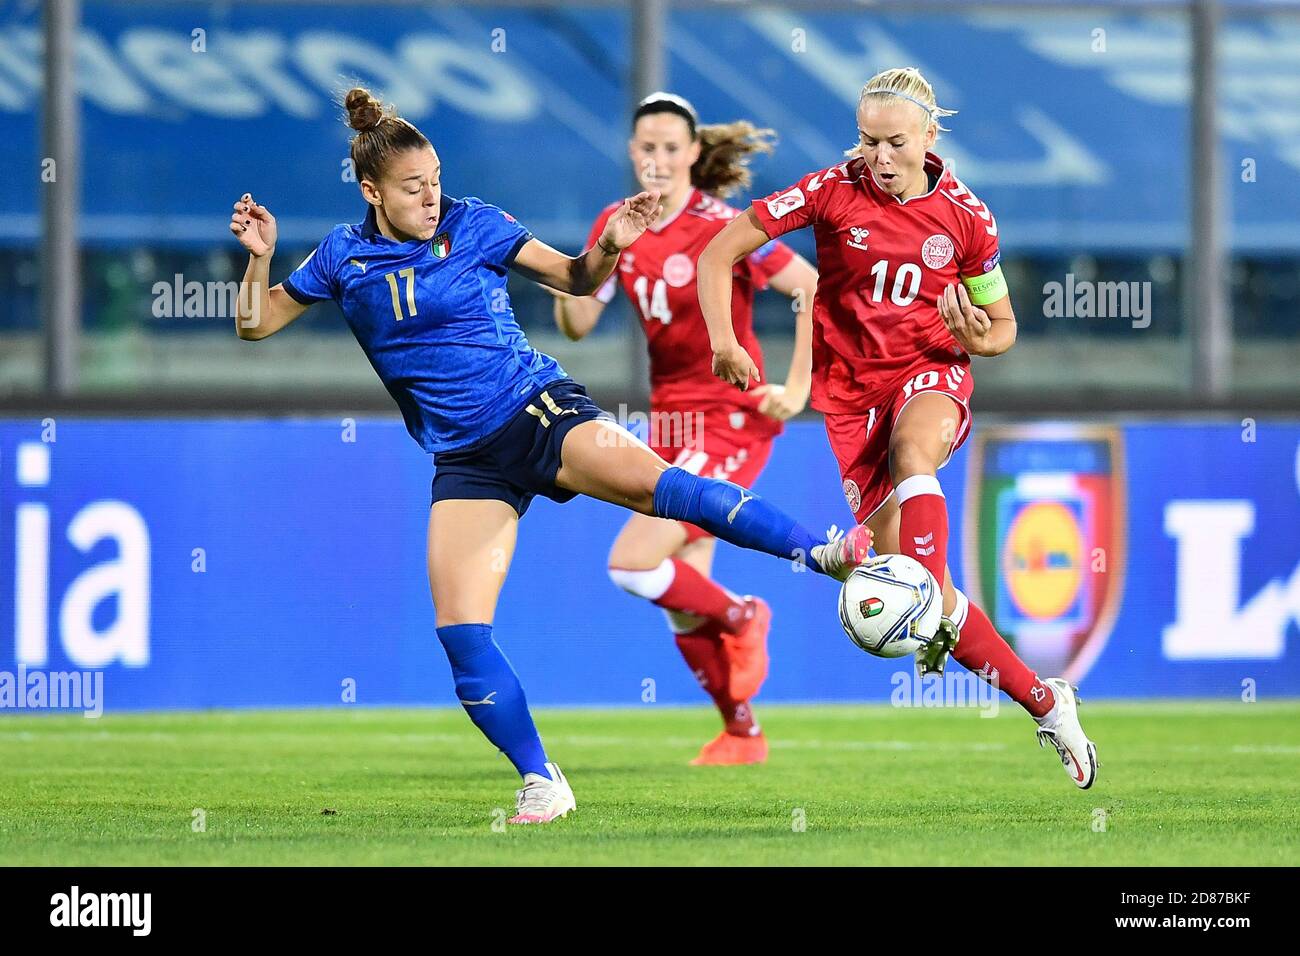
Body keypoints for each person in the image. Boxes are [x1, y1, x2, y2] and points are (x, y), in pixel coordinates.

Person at [229, 88, 873, 824]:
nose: (432, 196)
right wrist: (259, 261)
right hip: (467, 461)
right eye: (413, 188)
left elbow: (574, 280)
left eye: (435, 178)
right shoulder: (344, 255)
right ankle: (542, 779)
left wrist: (609, 246)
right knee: (461, 636)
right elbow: (255, 324)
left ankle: (825, 553)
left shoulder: (475, 222)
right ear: (371, 191)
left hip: (539, 413)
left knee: (665, 492)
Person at [697, 67, 1098, 788]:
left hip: (929, 373)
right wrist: (726, 340)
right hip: (849, 400)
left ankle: (921, 587)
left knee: (917, 454)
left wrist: (976, 336)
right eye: (867, 140)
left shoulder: (969, 219)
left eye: (894, 142)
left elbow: (1003, 330)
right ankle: (1044, 700)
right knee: (937, 603)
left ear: (929, 136)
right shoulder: (828, 189)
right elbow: (722, 247)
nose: (878, 157)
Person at [552, 93, 817, 766]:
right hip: (665, 423)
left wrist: (798, 385)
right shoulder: (619, 221)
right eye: (648, 147)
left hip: (730, 417)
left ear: (695, 154)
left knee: (633, 562)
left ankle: (744, 614)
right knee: (677, 599)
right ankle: (742, 733)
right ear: (632, 152)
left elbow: (809, 286)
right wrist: (580, 266)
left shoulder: (725, 227)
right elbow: (577, 323)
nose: (659, 159)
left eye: (672, 147)